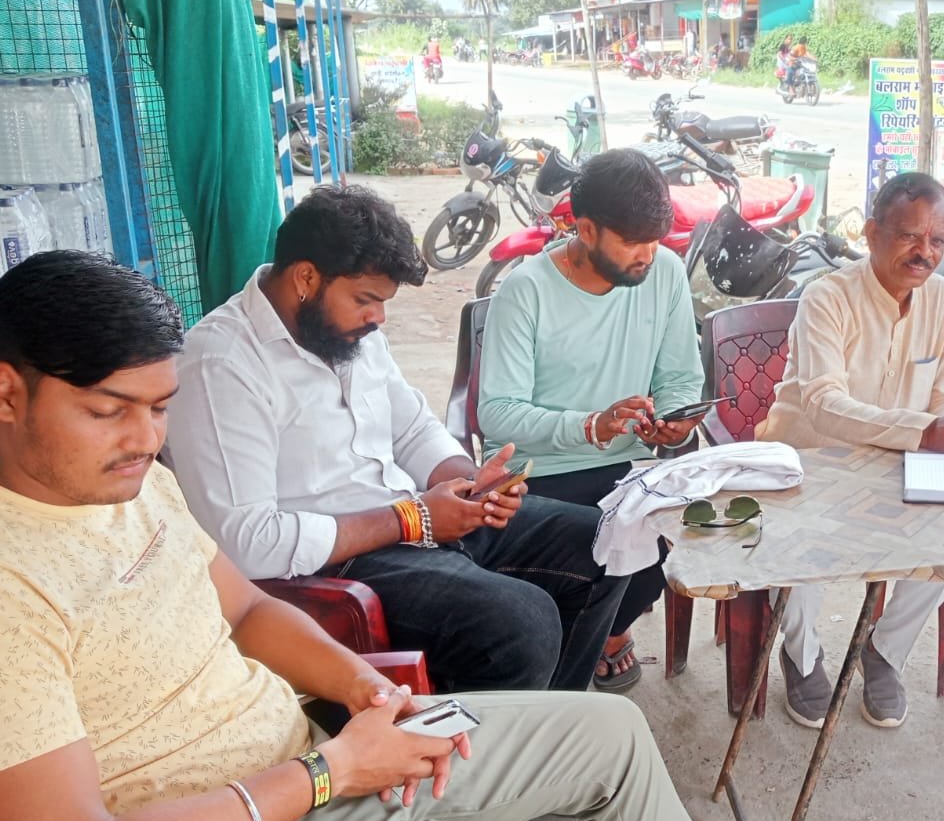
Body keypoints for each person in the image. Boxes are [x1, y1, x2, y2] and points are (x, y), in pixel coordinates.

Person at [0, 251, 713, 821]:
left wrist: (366, 691)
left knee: (612, 733)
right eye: (108, 411)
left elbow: (250, 607)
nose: (145, 440)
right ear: (5, 394)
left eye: (159, 408)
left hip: (314, 750)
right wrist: (330, 775)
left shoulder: (129, 489)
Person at [165, 185, 627, 695]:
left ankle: (549, 729)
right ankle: (489, 761)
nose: (378, 319)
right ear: (305, 278)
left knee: (606, 542)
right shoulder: (221, 364)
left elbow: (410, 427)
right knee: (522, 623)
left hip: (412, 517)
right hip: (335, 561)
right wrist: (414, 518)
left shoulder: (343, 331)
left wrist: (470, 483)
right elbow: (247, 544)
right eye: (366, 300)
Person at [757, 173, 944, 729]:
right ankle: (802, 654)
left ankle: (884, 652)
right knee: (802, 544)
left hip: (897, 466)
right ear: (870, 233)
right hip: (812, 458)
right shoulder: (827, 297)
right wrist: (923, 430)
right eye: (911, 237)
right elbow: (822, 404)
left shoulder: (939, 298)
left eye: (937, 241)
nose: (925, 253)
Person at [478, 149, 705, 693]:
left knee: (663, 534)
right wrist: (590, 426)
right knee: (598, 549)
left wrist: (675, 422)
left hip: (626, 464)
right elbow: (498, 414)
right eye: (631, 242)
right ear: (585, 229)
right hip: (536, 471)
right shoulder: (525, 289)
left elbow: (680, 379)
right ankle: (569, 672)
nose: (647, 256)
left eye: (656, 240)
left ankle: (602, 634)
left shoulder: (665, 273)